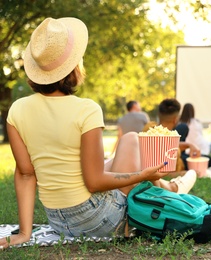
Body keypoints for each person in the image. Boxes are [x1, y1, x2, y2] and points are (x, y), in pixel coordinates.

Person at [0, 17, 196, 249]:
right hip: (99, 220)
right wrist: (143, 175)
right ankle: (171, 188)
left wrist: (24, 232)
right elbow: (94, 182)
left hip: (58, 220)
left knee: (113, 158)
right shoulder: (86, 110)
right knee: (131, 140)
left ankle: (168, 186)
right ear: (74, 67)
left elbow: (25, 174)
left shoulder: (17, 110)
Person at [145, 99, 211, 171]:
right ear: (175, 119)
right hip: (173, 162)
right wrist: (189, 145)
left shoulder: (149, 127)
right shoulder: (192, 124)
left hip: (176, 153)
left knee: (183, 127)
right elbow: (166, 149)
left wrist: (189, 145)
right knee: (205, 159)